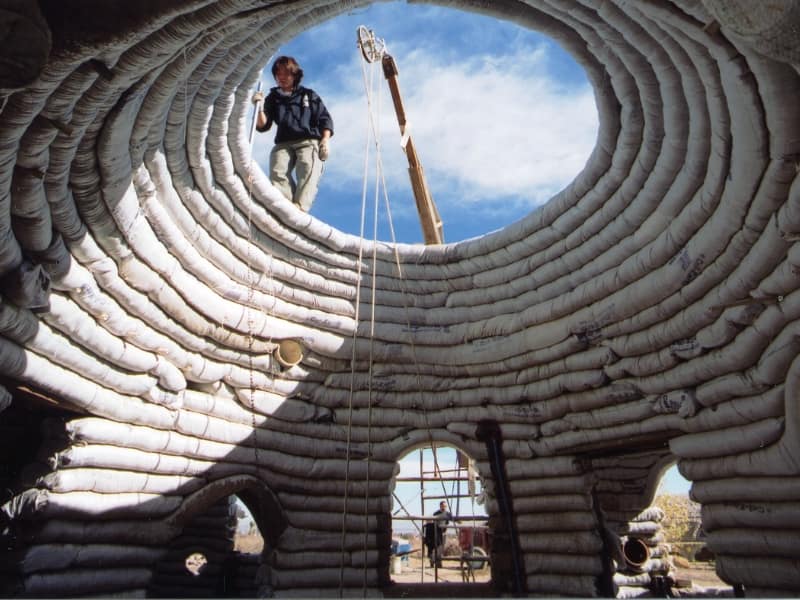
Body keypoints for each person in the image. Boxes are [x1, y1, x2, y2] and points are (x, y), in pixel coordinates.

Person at [252, 56, 333, 212]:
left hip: (308, 140)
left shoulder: (308, 95)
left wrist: (325, 140)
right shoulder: (273, 98)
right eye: (278, 74)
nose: (281, 78)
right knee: (277, 169)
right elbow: (263, 125)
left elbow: (324, 118)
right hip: (284, 142)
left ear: (294, 75)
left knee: (308, 168)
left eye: (286, 74)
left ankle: (301, 207)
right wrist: (259, 107)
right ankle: (287, 207)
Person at [427, 501, 452, 568]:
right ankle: (432, 561)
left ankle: (438, 563)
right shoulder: (436, 513)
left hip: (443, 533)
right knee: (435, 548)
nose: (444, 507)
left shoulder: (448, 514)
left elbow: (452, 519)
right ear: (440, 506)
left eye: (445, 506)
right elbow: (432, 521)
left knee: (441, 548)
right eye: (443, 506)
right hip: (436, 533)